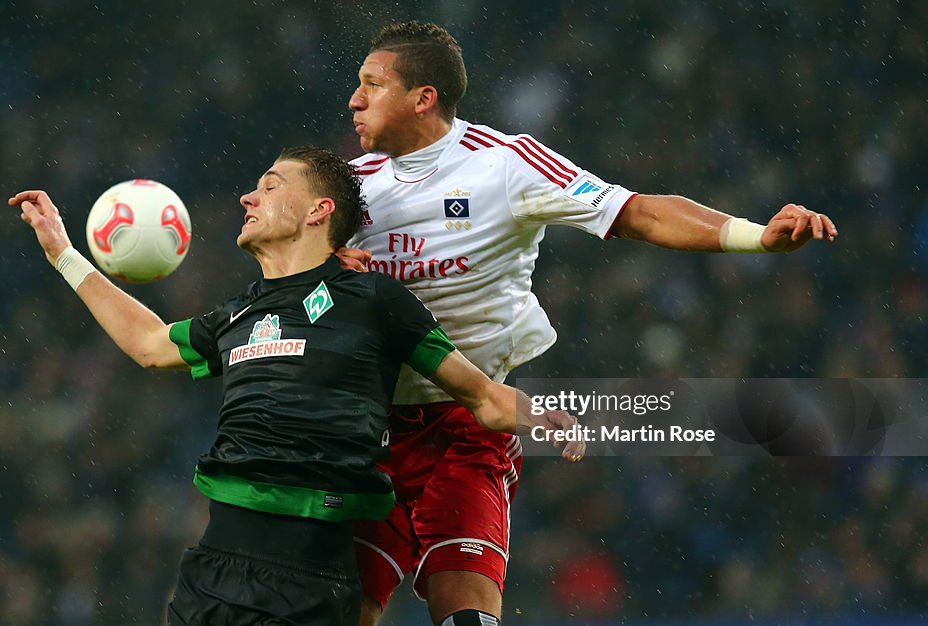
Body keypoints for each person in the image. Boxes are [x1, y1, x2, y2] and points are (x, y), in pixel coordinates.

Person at [338, 21, 839, 626]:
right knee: (337, 611)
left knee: (466, 616)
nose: (354, 99)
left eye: (372, 84)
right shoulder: (351, 188)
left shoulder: (503, 164)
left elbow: (640, 213)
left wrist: (757, 238)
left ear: (425, 98)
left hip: (471, 425)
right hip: (367, 428)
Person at [12, 146, 579, 626]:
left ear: (318, 210)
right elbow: (149, 344)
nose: (247, 198)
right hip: (213, 568)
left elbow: (479, 394)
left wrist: (543, 413)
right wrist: (62, 253)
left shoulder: (373, 300)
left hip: (312, 575)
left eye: (269, 185)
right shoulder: (239, 313)